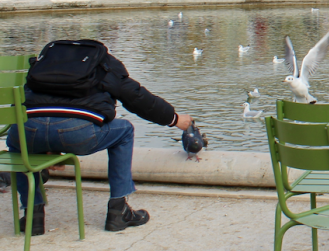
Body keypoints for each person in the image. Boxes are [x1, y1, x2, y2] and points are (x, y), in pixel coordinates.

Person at [8, 39, 196, 235]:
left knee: (17, 142)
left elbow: (33, 104)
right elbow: (136, 97)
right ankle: (118, 210)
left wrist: (46, 145)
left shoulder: (44, 62)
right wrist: (173, 119)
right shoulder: (102, 63)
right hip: (77, 133)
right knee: (124, 130)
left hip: (30, 130)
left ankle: (33, 214)